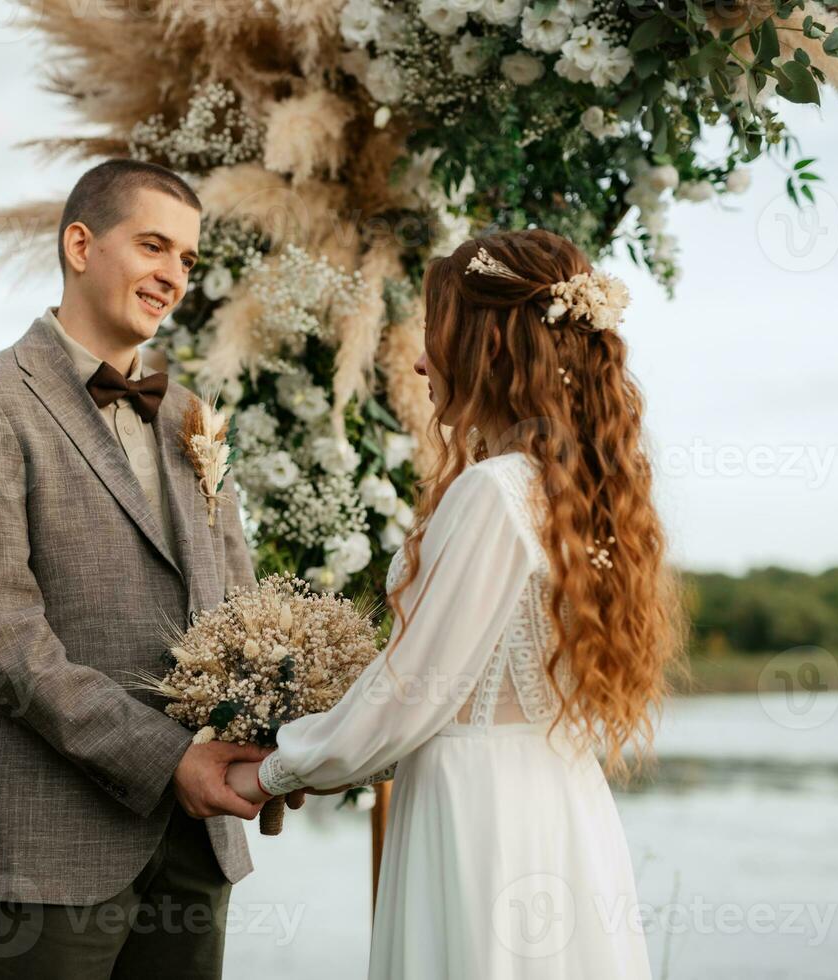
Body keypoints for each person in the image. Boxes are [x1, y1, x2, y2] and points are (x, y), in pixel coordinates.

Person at [226, 229, 690, 978]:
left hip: (480, 818)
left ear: (492, 346)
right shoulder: (576, 491)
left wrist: (268, 771)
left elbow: (413, 694)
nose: (418, 361)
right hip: (559, 802)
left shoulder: (495, 492)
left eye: (435, 336)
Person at [0, 158, 290, 979]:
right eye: (154, 247)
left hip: (196, 846)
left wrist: (279, 737)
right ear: (80, 244)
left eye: (188, 260)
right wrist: (167, 758)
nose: (173, 277)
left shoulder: (192, 414)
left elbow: (238, 608)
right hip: (46, 846)